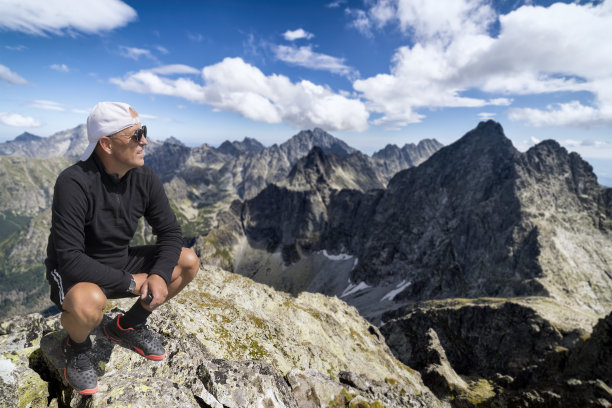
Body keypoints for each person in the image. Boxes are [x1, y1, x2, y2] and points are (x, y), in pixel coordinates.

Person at [45, 101, 200, 395]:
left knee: (188, 261)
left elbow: (170, 232)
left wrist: (157, 274)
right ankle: (75, 349)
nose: (144, 141)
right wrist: (131, 282)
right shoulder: (73, 182)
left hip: (119, 262)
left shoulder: (145, 178)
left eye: (144, 131)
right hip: (78, 274)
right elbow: (70, 260)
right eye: (135, 135)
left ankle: (127, 326)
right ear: (106, 143)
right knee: (87, 300)